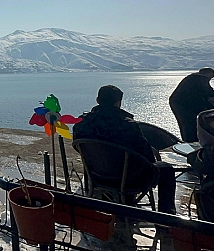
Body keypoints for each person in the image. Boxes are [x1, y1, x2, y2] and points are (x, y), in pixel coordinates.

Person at [73, 85, 176, 214]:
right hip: (128, 179)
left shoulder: (82, 123)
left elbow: (79, 147)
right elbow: (147, 157)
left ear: (98, 100)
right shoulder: (128, 125)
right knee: (166, 169)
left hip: (97, 176)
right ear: (118, 102)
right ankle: (165, 220)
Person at [169, 68, 214, 142]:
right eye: (211, 77)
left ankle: (191, 140)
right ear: (207, 74)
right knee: (189, 123)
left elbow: (206, 92)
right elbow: (205, 92)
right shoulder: (199, 79)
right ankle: (191, 141)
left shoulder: (194, 78)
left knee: (188, 123)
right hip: (182, 104)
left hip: (181, 103)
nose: (210, 79)